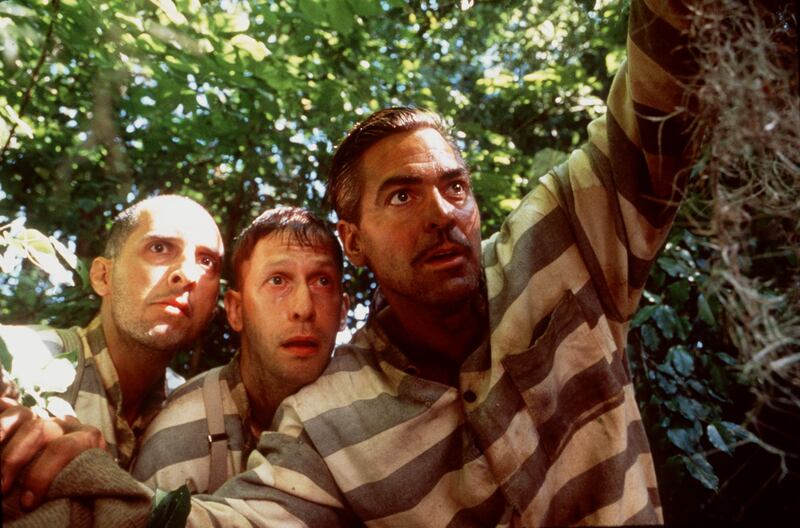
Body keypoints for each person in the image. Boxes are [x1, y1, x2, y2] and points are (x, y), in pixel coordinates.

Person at [6, 1, 699, 525]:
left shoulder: (566, 245)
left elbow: (658, 101)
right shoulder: (326, 419)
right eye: (401, 194)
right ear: (356, 238)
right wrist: (75, 479)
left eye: (454, 186)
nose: (440, 213)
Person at [0, 194, 223, 510]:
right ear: (103, 276)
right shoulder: (19, 355)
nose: (186, 275)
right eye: (159, 248)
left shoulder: (200, 409)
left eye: (207, 261)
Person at [130, 207, 348, 493]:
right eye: (277, 280)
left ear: (343, 310)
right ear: (236, 310)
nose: (303, 308)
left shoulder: (370, 415)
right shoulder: (182, 434)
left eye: (322, 281)